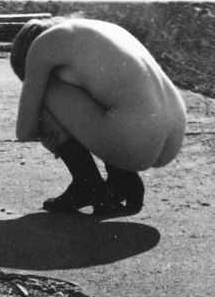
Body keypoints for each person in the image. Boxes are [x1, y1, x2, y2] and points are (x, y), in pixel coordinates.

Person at [10, 16, 186, 217]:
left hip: (136, 141)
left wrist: (57, 139)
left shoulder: (42, 46)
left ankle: (86, 184)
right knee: (101, 93)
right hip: (173, 136)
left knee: (43, 94)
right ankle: (122, 180)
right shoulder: (100, 29)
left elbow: (24, 131)